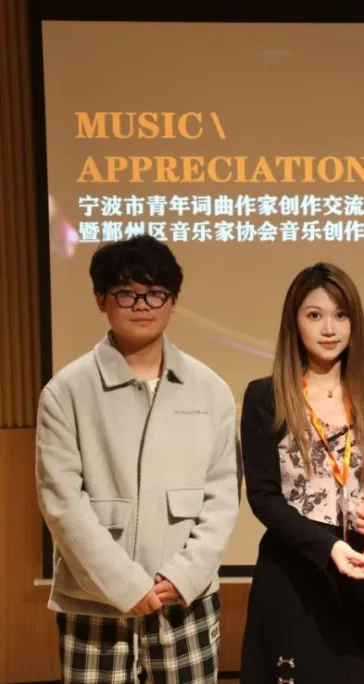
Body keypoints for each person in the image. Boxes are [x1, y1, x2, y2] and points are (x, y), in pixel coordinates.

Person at [35, 235, 239, 683]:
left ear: (173, 301)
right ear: (101, 299)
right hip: (95, 600)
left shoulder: (210, 388)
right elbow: (62, 503)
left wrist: (184, 575)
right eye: (127, 293)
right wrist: (123, 584)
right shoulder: (66, 391)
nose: (143, 305)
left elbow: (223, 495)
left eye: (156, 293)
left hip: (182, 598)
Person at [239, 262, 364, 683]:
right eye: (314, 315)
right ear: (294, 322)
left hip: (359, 575)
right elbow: (263, 497)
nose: (329, 328)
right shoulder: (266, 396)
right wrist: (327, 546)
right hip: (291, 576)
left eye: (340, 315)